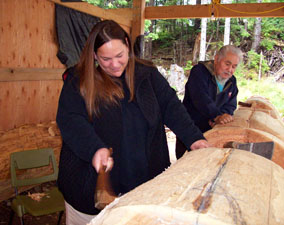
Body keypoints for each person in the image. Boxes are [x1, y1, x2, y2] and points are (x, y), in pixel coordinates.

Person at [56, 20, 209, 225]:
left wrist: (194, 138)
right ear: (94, 55)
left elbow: (171, 106)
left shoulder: (147, 75)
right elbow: (71, 120)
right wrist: (94, 148)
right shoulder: (78, 80)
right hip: (90, 187)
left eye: (119, 56)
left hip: (143, 184)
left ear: (128, 45)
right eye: (105, 59)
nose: (115, 64)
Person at [175, 45, 243, 159]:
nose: (230, 69)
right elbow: (200, 98)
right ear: (216, 59)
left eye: (234, 66)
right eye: (227, 64)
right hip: (191, 128)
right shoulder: (199, 72)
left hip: (213, 132)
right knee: (185, 164)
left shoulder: (232, 81)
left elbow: (231, 104)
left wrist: (223, 117)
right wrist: (216, 116)